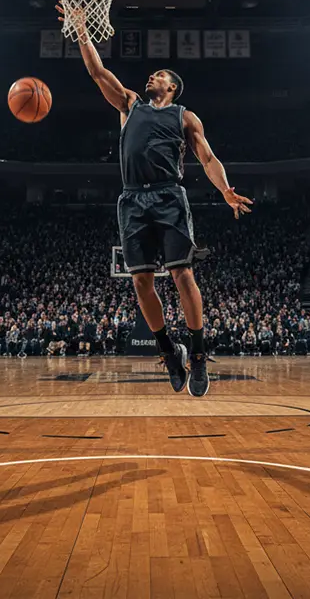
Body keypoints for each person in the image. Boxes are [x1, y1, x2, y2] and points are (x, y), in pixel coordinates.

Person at [71, 21, 252, 397]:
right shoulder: (129, 104)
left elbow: (207, 157)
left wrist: (225, 190)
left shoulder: (185, 116)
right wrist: (82, 33)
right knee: (140, 281)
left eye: (160, 75)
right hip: (132, 198)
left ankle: (198, 354)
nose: (152, 75)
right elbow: (96, 71)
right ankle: (170, 351)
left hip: (169, 196)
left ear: (171, 87)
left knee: (182, 274)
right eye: (152, 74)